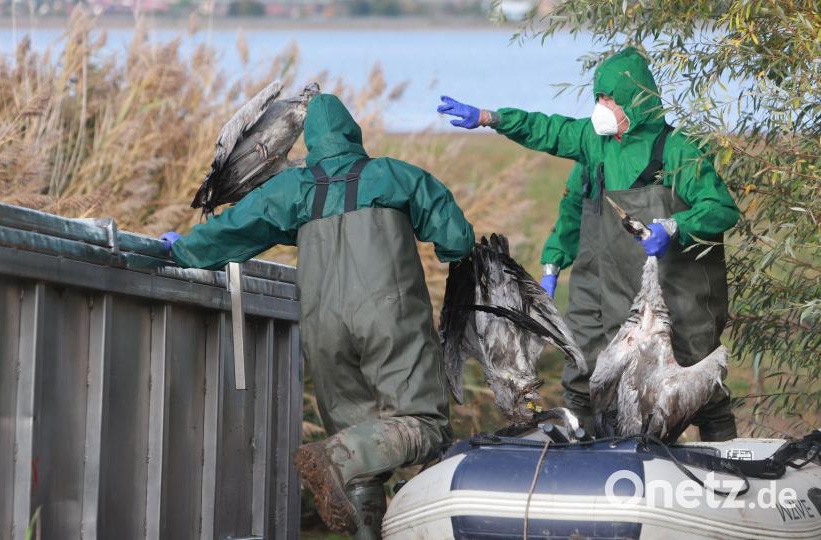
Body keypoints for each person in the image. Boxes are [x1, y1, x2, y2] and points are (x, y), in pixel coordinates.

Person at [161, 93, 474, 537]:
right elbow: (457, 238)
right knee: (422, 423)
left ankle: (358, 501)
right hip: (389, 319)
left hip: (323, 328)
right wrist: (447, 249)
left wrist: (183, 248)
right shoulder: (393, 175)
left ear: (309, 141)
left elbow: (235, 230)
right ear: (353, 133)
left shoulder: (293, 188)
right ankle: (336, 454)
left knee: (362, 453)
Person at [437, 47, 740, 441]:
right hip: (605, 287)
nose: (601, 106)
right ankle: (593, 457)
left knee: (697, 378)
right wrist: (488, 118)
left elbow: (721, 209)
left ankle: (730, 456)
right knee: (589, 375)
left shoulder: (678, 151)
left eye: (610, 99)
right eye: (598, 98)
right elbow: (549, 133)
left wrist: (675, 226)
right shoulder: (594, 147)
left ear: (636, 99)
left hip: (676, 293)